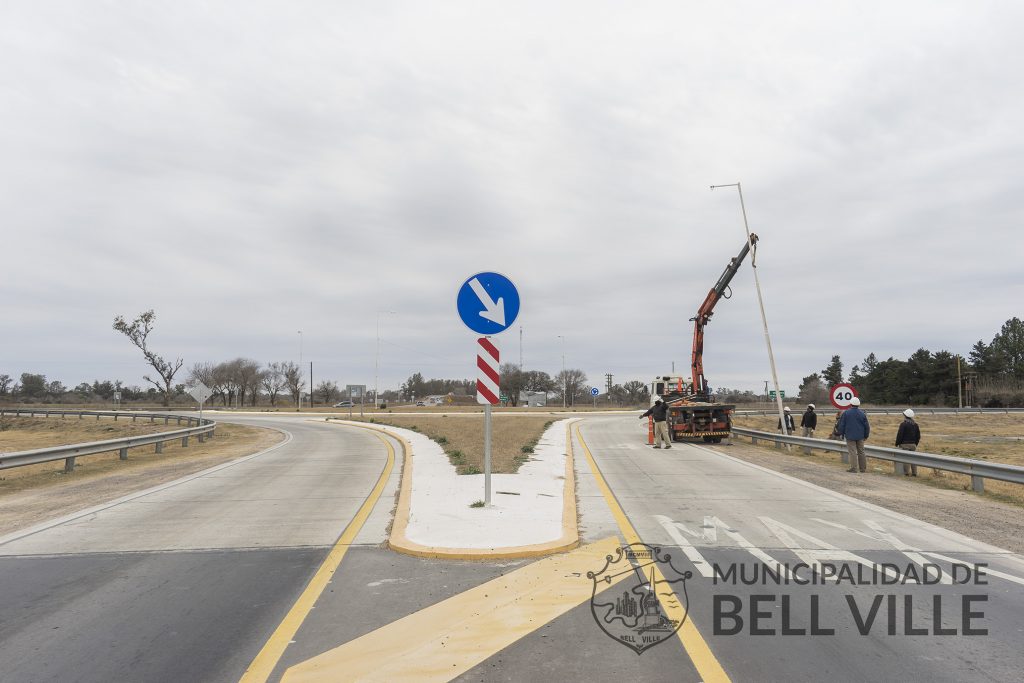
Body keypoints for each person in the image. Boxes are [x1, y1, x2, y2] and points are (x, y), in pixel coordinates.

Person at [836, 397, 870, 472]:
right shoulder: (862, 413)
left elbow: (842, 425)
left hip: (850, 435)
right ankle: (863, 468)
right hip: (860, 436)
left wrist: (840, 433)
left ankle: (854, 468)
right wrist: (866, 435)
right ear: (858, 404)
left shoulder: (846, 413)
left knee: (852, 452)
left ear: (851, 404)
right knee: (861, 451)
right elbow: (867, 426)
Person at [895, 408, 921, 476]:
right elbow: (918, 436)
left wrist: (897, 443)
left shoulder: (903, 424)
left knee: (906, 459)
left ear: (905, 415)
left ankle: (906, 473)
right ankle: (914, 473)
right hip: (913, 445)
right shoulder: (915, 425)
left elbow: (900, 435)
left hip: (905, 444)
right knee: (913, 459)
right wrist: (915, 444)